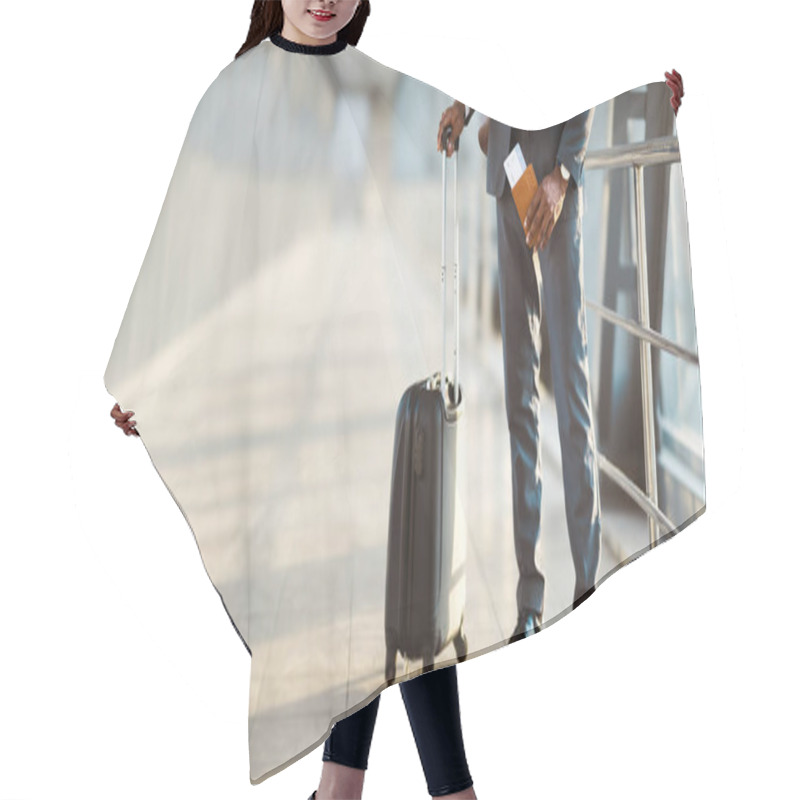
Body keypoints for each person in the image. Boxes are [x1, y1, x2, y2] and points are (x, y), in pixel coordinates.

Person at [112, 2, 476, 799]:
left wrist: (599, 145)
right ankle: (429, 792)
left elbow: (478, 171)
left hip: (389, 389)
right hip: (300, 398)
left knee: (402, 590)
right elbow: (194, 250)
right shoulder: (237, 94)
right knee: (363, 593)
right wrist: (152, 374)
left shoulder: (382, 93)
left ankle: (346, 790)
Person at [435, 68, 684, 643]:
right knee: (519, 394)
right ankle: (530, 598)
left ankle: (589, 585)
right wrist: (464, 106)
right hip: (508, 176)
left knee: (570, 389)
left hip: (555, 189)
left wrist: (566, 171)